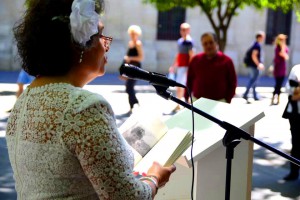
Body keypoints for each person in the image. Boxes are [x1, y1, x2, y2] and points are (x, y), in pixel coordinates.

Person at [6, 0, 176, 199]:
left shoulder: (25, 100)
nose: (106, 44)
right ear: (80, 44)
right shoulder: (84, 106)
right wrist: (154, 179)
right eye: (101, 34)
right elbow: (127, 197)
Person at [184, 32, 237, 103]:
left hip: (219, 103)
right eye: (205, 44)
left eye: (211, 42)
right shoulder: (195, 60)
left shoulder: (227, 61)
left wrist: (228, 99)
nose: (208, 46)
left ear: (216, 43)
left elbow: (232, 82)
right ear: (202, 45)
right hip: (197, 102)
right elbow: (189, 81)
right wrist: (186, 97)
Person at [170, 22, 194, 111]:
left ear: (188, 30)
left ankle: (185, 103)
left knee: (183, 85)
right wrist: (173, 65)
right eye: (181, 29)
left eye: (184, 29)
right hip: (180, 66)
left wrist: (190, 68)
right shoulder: (180, 41)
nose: (182, 31)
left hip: (186, 67)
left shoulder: (189, 42)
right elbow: (179, 54)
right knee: (179, 85)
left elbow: (191, 55)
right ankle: (179, 103)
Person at [282, 64, 300, 181]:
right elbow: (288, 89)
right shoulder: (296, 69)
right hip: (295, 114)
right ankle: (294, 172)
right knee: (296, 143)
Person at [123, 25, 144, 114]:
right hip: (130, 67)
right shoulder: (130, 43)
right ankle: (134, 105)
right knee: (128, 87)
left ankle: (135, 105)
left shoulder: (138, 44)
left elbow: (140, 57)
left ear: (137, 34)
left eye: (134, 34)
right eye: (131, 34)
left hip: (135, 67)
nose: (132, 36)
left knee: (129, 87)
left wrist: (130, 58)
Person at [243, 31, 265, 102]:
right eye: (262, 37)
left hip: (252, 65)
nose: (263, 38)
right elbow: (254, 56)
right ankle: (245, 94)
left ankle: (255, 96)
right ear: (259, 37)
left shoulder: (255, 44)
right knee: (253, 80)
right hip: (254, 66)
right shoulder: (257, 45)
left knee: (254, 80)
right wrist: (259, 64)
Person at [271, 34, 289, 105]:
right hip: (277, 68)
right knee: (277, 84)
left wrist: (283, 47)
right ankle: (274, 98)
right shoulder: (277, 48)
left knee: (280, 84)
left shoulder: (285, 48)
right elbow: (282, 54)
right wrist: (282, 47)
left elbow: (286, 57)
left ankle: (278, 98)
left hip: (282, 68)